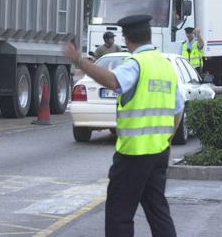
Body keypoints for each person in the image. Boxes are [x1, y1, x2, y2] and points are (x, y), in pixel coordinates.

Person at [64, 14, 183, 237]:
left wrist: (80, 60)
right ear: (148, 36)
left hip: (134, 154)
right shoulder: (165, 66)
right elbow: (178, 110)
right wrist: (166, 141)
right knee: (158, 211)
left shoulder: (135, 64)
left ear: (126, 38)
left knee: (120, 213)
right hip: (158, 152)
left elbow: (112, 81)